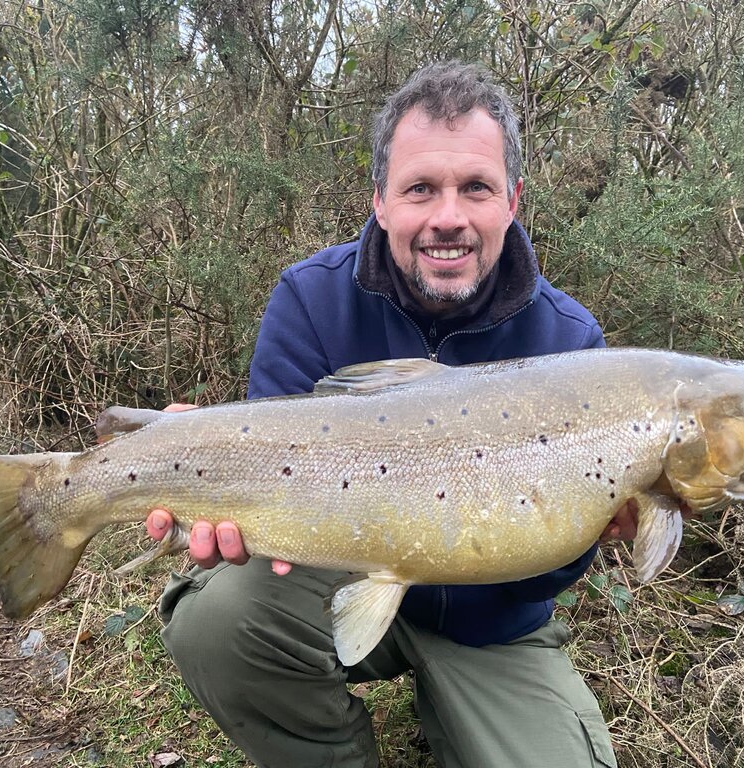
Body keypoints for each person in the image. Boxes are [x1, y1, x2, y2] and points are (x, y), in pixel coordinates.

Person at [145, 61, 630, 768]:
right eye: (420, 189)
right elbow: (266, 482)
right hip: (329, 585)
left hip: (491, 623)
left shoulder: (572, 345)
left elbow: (545, 575)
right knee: (218, 618)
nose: (448, 217)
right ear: (379, 201)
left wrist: (594, 524)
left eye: (476, 188)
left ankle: (457, 700)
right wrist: (209, 482)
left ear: (512, 201)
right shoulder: (310, 298)